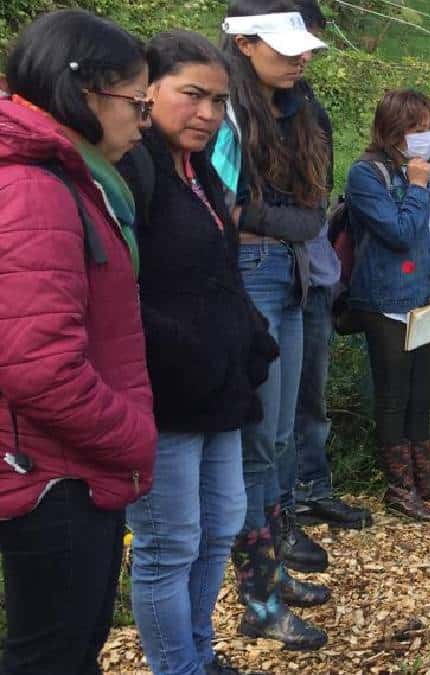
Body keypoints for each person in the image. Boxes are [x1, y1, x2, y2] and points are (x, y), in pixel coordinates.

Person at [114, 30, 282, 675]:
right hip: (165, 390)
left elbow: (221, 273)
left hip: (219, 386)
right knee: (168, 543)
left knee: (218, 529)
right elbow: (120, 293)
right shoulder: (135, 171)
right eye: (192, 96)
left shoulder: (201, 174)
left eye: (217, 101)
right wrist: (188, 350)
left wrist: (251, 336)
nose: (207, 114)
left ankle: (200, 654)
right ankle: (175, 666)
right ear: (147, 92)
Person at [0, 10, 157, 672]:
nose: (144, 120)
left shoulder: (68, 176)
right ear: (85, 91)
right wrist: (134, 436)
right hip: (55, 475)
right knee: (54, 654)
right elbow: (39, 367)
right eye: (137, 101)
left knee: (71, 645)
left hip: (65, 464)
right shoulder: (35, 190)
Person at [221, 1, 330, 650]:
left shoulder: (291, 107)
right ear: (242, 45)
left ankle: (270, 574)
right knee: (258, 439)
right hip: (251, 269)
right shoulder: (228, 111)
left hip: (287, 271)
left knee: (278, 434)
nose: (301, 56)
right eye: (285, 46)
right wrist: (291, 222)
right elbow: (225, 206)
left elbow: (306, 203)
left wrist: (290, 223)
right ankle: (257, 593)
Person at [345, 89, 430, 521]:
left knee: (422, 393)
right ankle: (399, 487)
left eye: (427, 129)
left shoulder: (427, 174)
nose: (425, 138)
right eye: (417, 129)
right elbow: (398, 233)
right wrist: (415, 186)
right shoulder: (367, 175)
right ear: (393, 130)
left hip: (428, 304)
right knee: (394, 394)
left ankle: (426, 478)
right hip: (387, 303)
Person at [286, 0, 374, 533]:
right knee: (272, 414)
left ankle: (313, 487)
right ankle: (278, 514)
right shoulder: (246, 106)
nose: (305, 59)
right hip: (272, 266)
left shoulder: (306, 102)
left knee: (310, 398)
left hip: (315, 268)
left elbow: (316, 193)